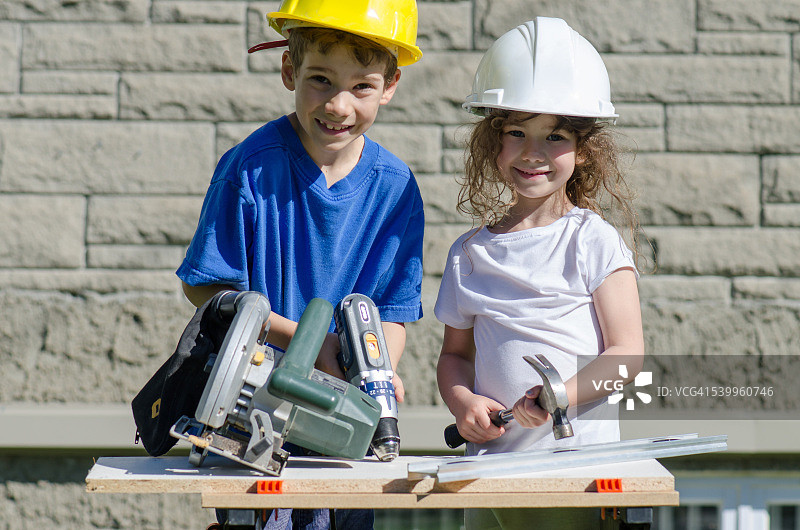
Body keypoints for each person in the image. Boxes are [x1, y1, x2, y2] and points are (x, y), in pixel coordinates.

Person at [177, 1, 424, 528]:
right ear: (289, 69)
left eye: (361, 86)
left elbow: (392, 312)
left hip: (344, 417)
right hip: (251, 410)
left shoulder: (396, 187)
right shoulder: (250, 167)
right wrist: (309, 347)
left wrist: (379, 369)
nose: (338, 105)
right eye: (320, 79)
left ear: (390, 85)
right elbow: (208, 290)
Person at [435, 17, 645, 530]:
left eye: (555, 135)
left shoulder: (591, 240)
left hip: (579, 479)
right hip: (491, 474)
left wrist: (561, 395)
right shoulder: (469, 254)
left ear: (584, 149)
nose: (533, 152)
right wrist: (462, 403)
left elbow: (627, 356)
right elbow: (454, 356)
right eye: (516, 131)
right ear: (493, 140)